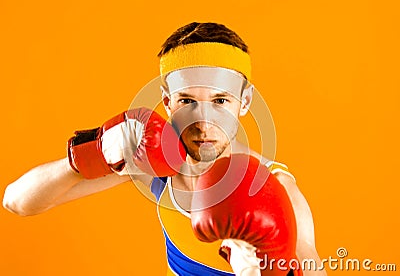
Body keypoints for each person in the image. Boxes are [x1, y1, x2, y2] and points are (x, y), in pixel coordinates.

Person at [3, 22, 326, 276]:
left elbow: (312, 266)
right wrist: (91, 155)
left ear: (244, 102)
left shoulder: (273, 185)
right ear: (168, 102)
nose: (203, 122)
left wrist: (261, 272)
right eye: (187, 101)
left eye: (220, 101)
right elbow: (17, 202)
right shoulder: (153, 163)